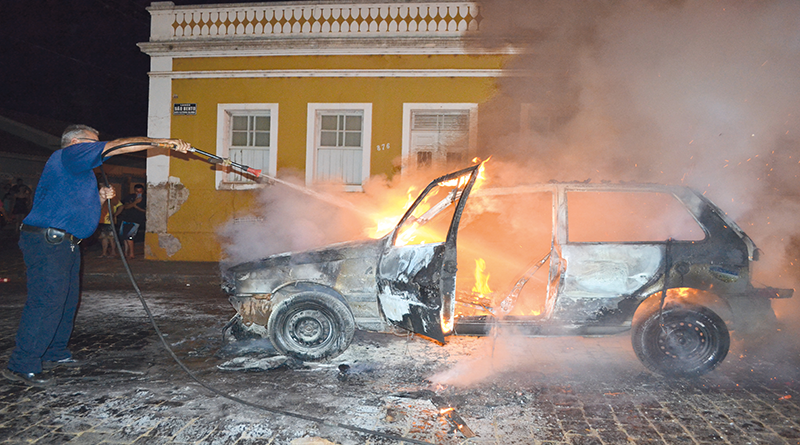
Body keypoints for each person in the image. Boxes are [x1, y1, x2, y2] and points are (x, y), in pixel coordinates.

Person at [2, 124, 190, 387]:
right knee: (46, 301)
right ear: (77, 142)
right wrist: (162, 142)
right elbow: (120, 144)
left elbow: (75, 207)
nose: (97, 149)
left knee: (67, 301)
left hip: (67, 243)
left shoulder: (78, 171)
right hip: (48, 241)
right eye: (93, 143)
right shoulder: (68, 155)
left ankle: (55, 352)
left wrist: (100, 199)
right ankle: (21, 364)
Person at [117, 184, 147, 259]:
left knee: (130, 236)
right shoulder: (130, 197)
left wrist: (135, 206)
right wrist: (135, 202)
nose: (138, 193)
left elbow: (145, 211)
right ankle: (125, 253)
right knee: (124, 236)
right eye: (137, 191)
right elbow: (126, 207)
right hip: (126, 218)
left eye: (140, 192)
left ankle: (131, 253)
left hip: (136, 220)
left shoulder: (145, 198)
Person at [97, 191, 122, 258]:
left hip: (110, 221)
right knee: (104, 237)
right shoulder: (99, 198)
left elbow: (121, 206)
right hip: (102, 221)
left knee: (111, 238)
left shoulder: (112, 199)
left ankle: (113, 253)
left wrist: (115, 215)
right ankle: (104, 252)